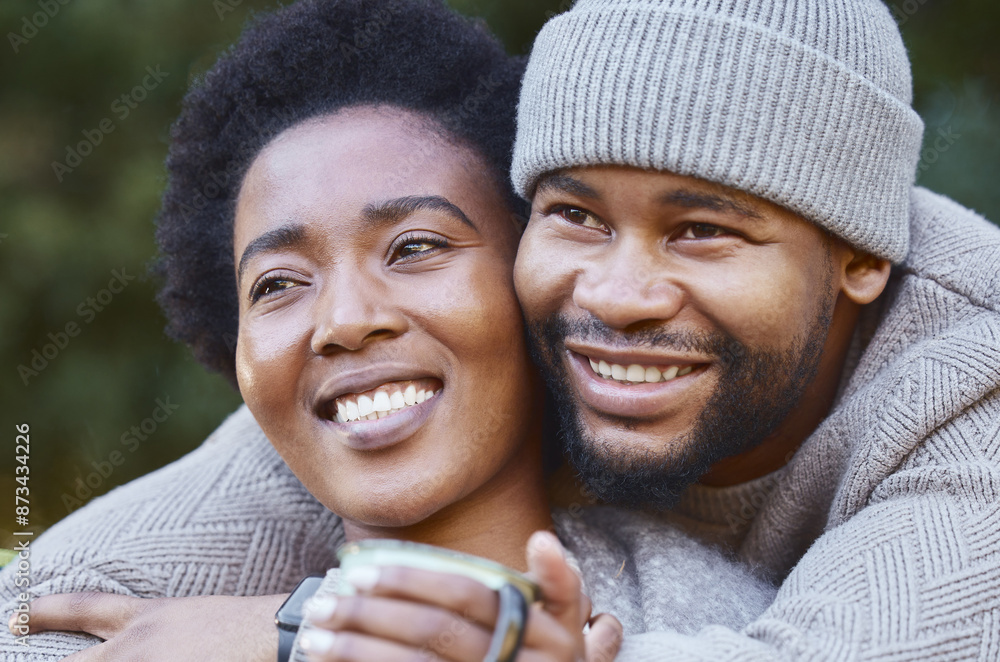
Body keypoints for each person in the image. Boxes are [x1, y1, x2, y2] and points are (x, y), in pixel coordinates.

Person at [0, 1, 776, 660]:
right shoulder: (141, 630)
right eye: (278, 285)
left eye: (416, 248)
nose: (343, 321)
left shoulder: (721, 626)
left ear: (531, 276)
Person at [380, 0, 996, 658]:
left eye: (701, 231)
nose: (615, 298)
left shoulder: (975, 377)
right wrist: (317, 627)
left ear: (864, 255)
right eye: (577, 216)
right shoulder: (486, 308)